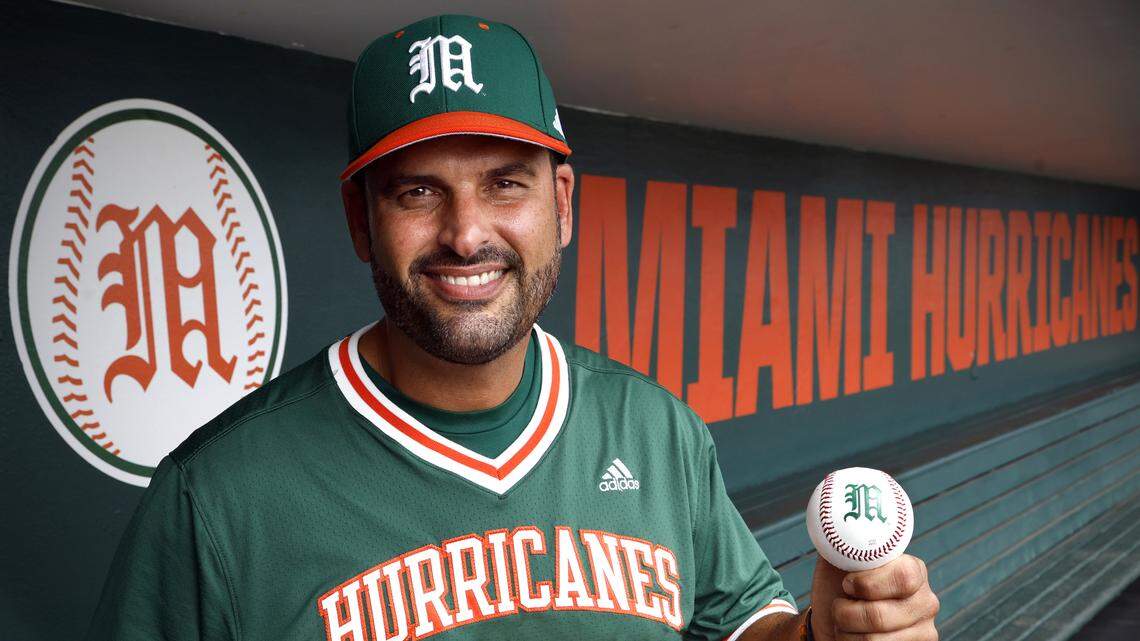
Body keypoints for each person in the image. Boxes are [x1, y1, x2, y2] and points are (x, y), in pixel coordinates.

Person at [85, 14, 939, 641]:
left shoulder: (655, 428)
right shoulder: (220, 495)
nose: (466, 232)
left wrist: (826, 635)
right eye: (419, 190)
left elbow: (740, 626)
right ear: (360, 218)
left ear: (562, 204)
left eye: (505, 183)